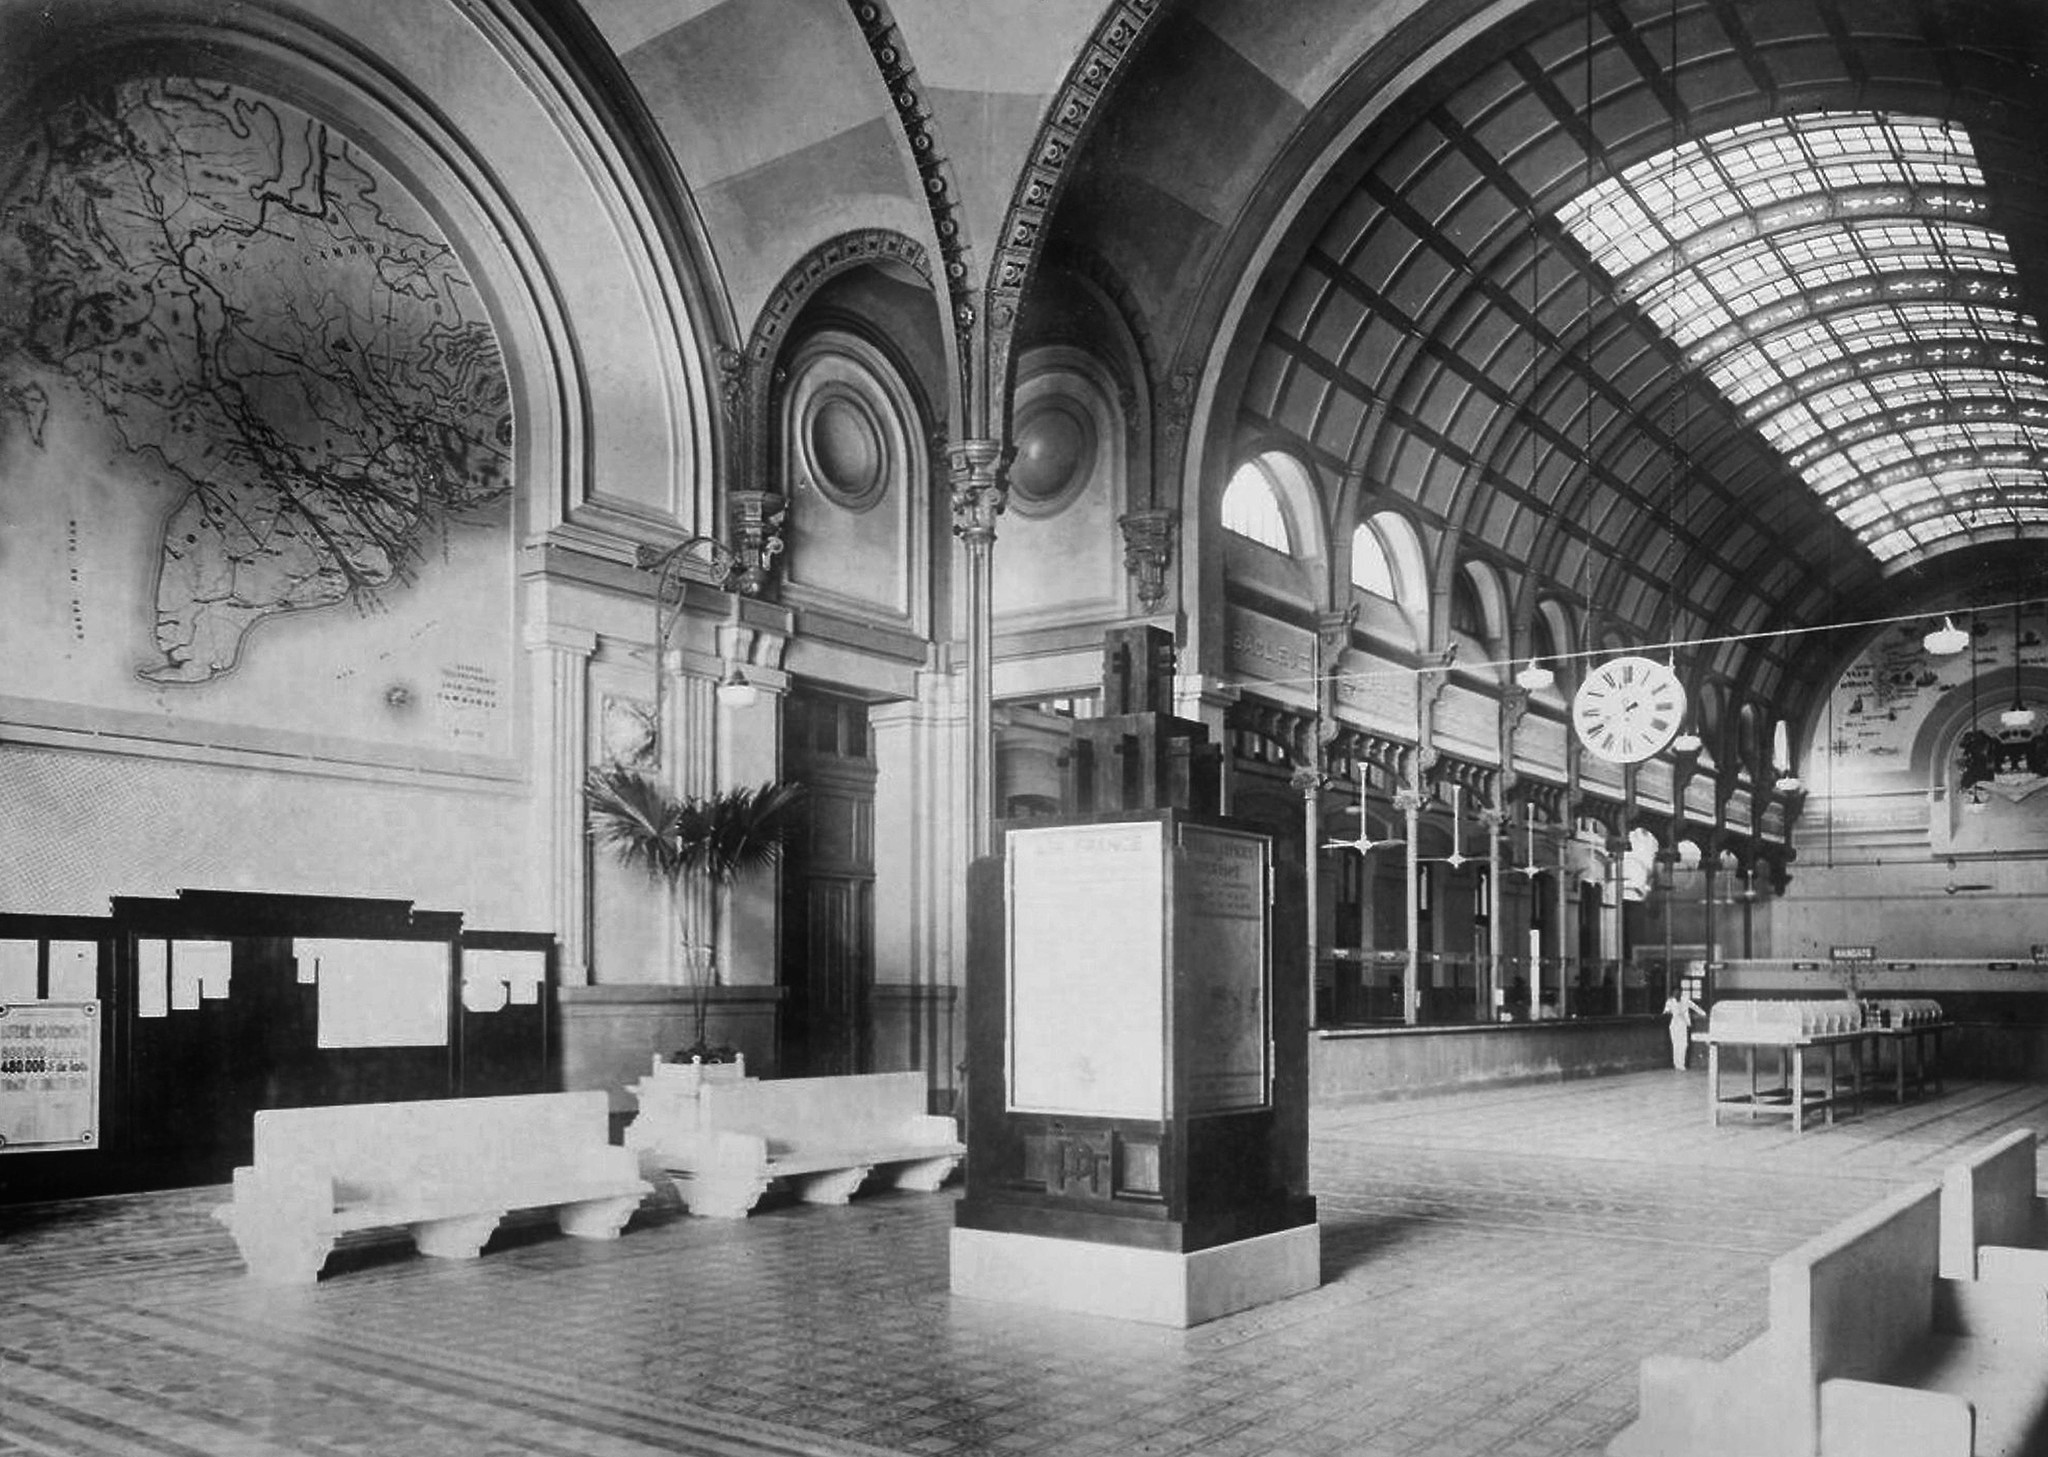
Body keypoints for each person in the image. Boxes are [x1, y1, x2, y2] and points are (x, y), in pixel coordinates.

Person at [1663, 986, 1705, 1070]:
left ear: (1681, 993)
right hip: (1674, 1024)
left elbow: (1695, 1007)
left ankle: (1681, 1064)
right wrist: (1667, 1012)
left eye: (1678, 992)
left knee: (1684, 1044)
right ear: (1673, 994)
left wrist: (1703, 1013)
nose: (1677, 994)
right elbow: (1666, 1011)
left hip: (1683, 1024)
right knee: (1676, 1044)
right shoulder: (1670, 1002)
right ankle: (1677, 1064)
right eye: (1675, 993)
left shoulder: (1685, 1001)